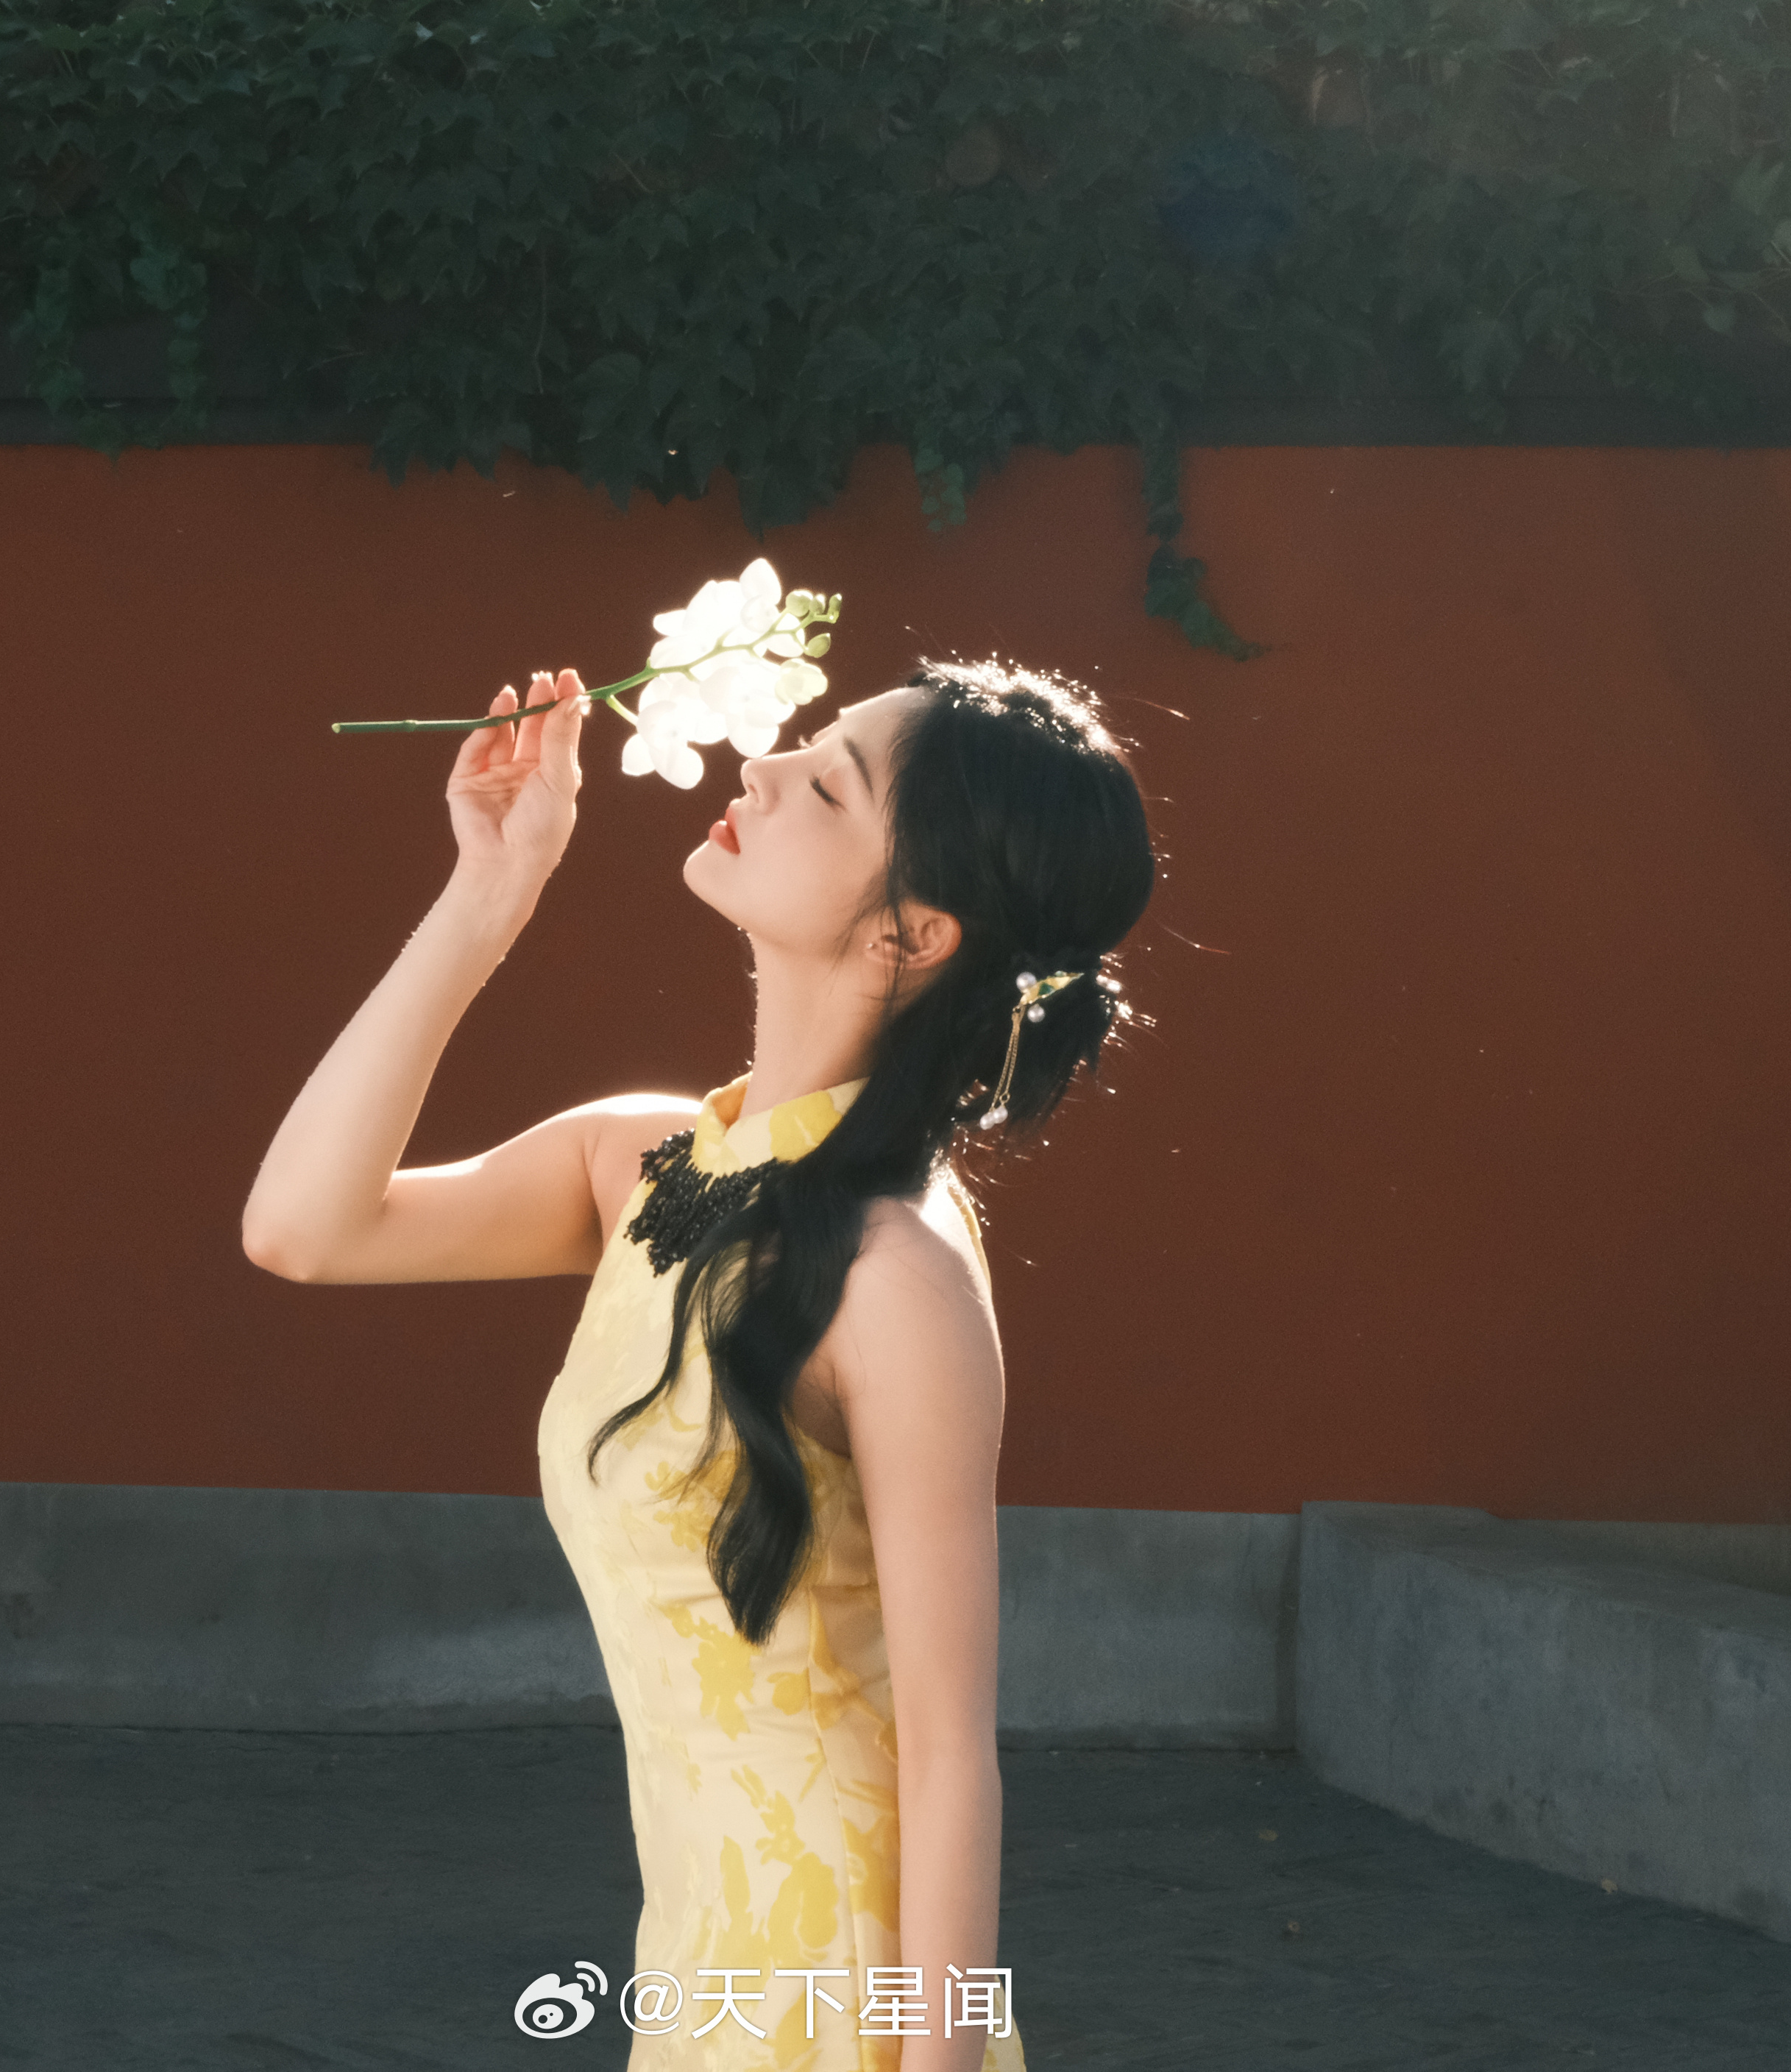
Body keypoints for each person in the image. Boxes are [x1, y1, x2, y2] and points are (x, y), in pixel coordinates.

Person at [241, 653, 1156, 2071]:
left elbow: (949, 1762)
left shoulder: (894, 1277)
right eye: (805, 742)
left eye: (829, 785)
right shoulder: (647, 1161)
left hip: (841, 1991)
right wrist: (488, 897)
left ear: (912, 933)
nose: (763, 770)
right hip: (697, 1969)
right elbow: (301, 1230)